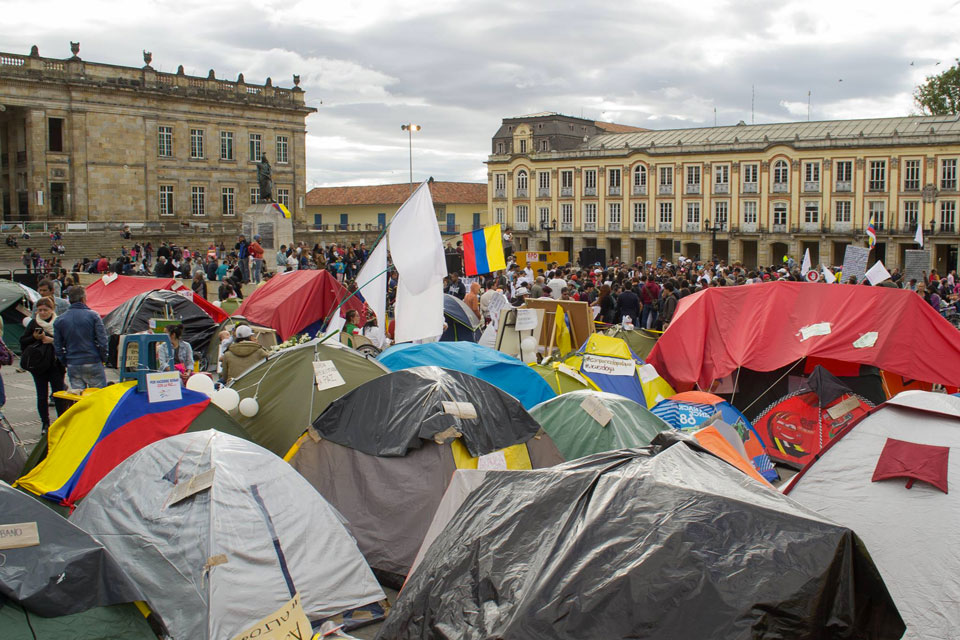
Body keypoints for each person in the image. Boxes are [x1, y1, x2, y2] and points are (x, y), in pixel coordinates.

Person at [20, 297, 68, 433]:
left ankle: (61, 422)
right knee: (42, 395)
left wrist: (51, 340)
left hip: (55, 364)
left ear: (51, 310)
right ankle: (45, 423)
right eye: (40, 310)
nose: (42, 313)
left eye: (45, 310)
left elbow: (66, 341)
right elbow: (23, 341)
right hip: (39, 365)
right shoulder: (34, 323)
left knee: (59, 394)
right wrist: (34, 338)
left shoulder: (58, 322)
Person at [53, 286, 109, 389]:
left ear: (69, 300)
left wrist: (65, 361)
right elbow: (103, 340)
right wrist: (103, 357)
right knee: (98, 396)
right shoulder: (93, 316)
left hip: (73, 362)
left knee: (79, 396)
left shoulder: (60, 320)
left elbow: (57, 346)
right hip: (92, 359)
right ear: (83, 298)